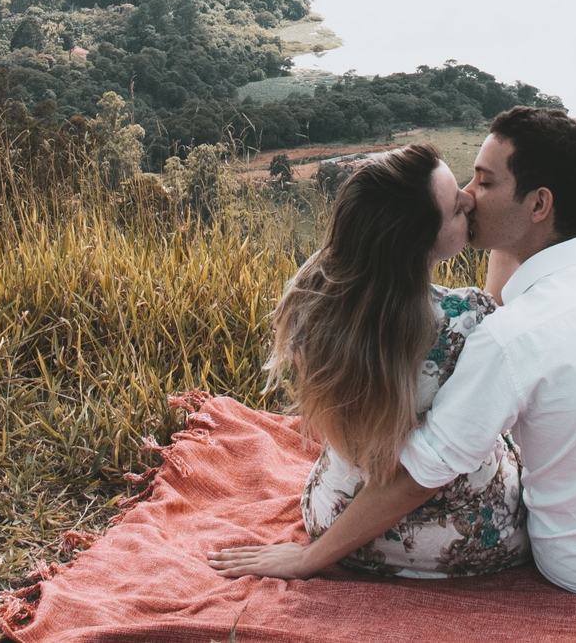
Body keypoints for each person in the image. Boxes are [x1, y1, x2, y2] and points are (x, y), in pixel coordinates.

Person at [215, 109, 576, 603]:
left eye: (484, 179)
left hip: (574, 567)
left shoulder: (502, 337)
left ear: (539, 204)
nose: (471, 194)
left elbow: (422, 468)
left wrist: (311, 557)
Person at [210, 143, 529, 580]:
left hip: (337, 523)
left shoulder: (309, 299)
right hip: (468, 540)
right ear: (418, 245)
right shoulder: (469, 319)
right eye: (456, 209)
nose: (470, 201)